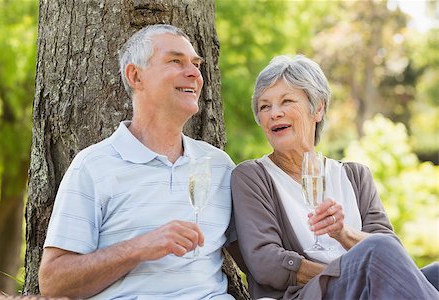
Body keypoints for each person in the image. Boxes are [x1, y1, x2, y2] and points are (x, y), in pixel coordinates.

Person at [38, 24, 238, 299]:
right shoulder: (93, 166)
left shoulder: (218, 165)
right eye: (175, 61)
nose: (194, 73)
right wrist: (140, 247)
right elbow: (54, 282)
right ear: (136, 76)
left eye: (195, 64)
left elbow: (262, 256)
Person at [231, 54, 439, 299]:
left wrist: (343, 233)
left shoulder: (356, 176)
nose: (274, 113)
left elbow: (391, 253)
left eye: (286, 101)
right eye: (265, 106)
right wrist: (352, 274)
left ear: (318, 108)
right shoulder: (252, 177)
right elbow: (266, 263)